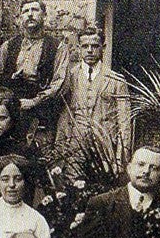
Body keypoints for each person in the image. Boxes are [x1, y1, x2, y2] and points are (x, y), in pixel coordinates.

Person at [0, 0, 71, 144]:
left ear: (44, 16)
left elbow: (60, 83)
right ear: (20, 18)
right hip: (12, 114)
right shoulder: (8, 46)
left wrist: (34, 101)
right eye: (25, 11)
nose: (30, 14)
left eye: (35, 10)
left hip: (42, 117)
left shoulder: (57, 47)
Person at [54, 25, 132, 156]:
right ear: (79, 48)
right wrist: (59, 155)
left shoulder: (116, 81)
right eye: (85, 46)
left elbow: (124, 123)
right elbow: (64, 119)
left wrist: (121, 157)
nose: (90, 50)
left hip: (105, 151)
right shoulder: (68, 78)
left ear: (103, 47)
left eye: (95, 46)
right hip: (74, 149)